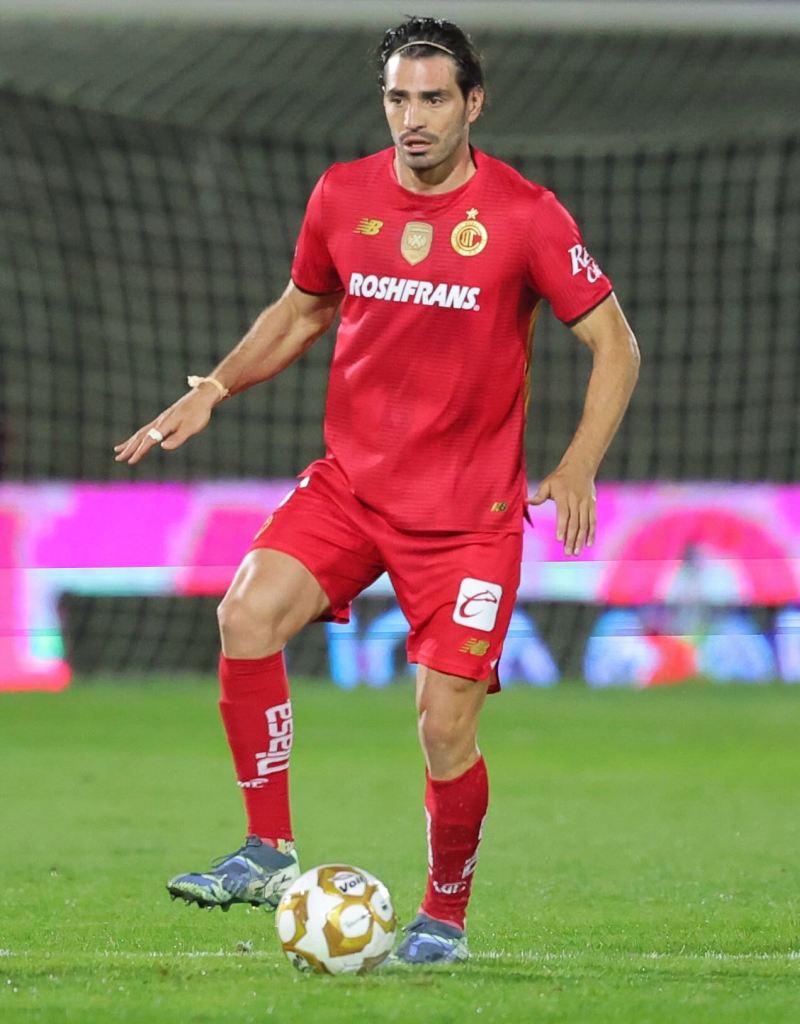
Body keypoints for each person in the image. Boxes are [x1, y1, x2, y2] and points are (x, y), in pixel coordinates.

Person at [114, 15, 640, 965]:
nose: (413, 118)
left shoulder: (526, 215)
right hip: (352, 489)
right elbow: (303, 306)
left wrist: (576, 464)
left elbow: (615, 343)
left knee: (443, 728)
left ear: (472, 103)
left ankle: (443, 915)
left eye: (433, 98)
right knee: (245, 614)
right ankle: (268, 848)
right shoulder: (341, 194)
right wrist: (216, 387)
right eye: (398, 97)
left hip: (467, 522)